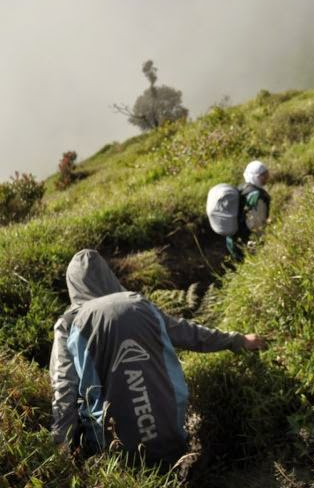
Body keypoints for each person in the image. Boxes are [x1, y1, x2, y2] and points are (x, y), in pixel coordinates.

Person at [49, 249, 265, 464]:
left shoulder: (69, 323)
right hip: (171, 434)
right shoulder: (138, 304)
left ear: (73, 285)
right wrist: (239, 340)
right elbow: (191, 334)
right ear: (108, 275)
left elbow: (64, 388)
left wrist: (61, 443)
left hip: (115, 450)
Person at [226, 160, 271, 260]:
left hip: (232, 238)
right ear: (255, 177)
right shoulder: (259, 196)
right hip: (247, 240)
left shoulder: (241, 188)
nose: (266, 178)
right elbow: (258, 223)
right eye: (263, 175)